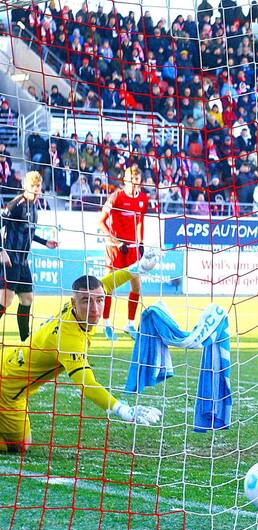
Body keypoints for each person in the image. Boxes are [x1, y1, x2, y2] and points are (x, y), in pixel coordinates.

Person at [0, 268, 162, 453]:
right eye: (87, 301)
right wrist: (122, 410)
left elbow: (106, 283)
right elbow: (87, 383)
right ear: (74, 302)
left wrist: (137, 267)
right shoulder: (69, 340)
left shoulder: (76, 307)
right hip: (8, 388)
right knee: (20, 446)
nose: (95, 308)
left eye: (100, 300)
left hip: (7, 359)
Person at [0, 171, 59, 341]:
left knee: (27, 298)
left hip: (23, 261)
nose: (35, 189)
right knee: (6, 300)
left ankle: (25, 341)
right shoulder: (16, 205)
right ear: (24, 186)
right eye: (32, 186)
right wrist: (1, 250)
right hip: (10, 259)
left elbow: (28, 232)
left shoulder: (34, 206)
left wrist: (44, 242)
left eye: (38, 186)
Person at [97, 165, 149, 340]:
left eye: (137, 181)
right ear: (126, 181)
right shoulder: (116, 197)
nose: (135, 185)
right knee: (108, 287)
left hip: (133, 249)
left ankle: (129, 324)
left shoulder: (143, 198)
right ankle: (106, 324)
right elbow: (101, 222)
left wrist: (141, 242)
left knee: (137, 287)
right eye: (132, 181)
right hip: (115, 248)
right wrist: (117, 242)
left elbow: (140, 221)